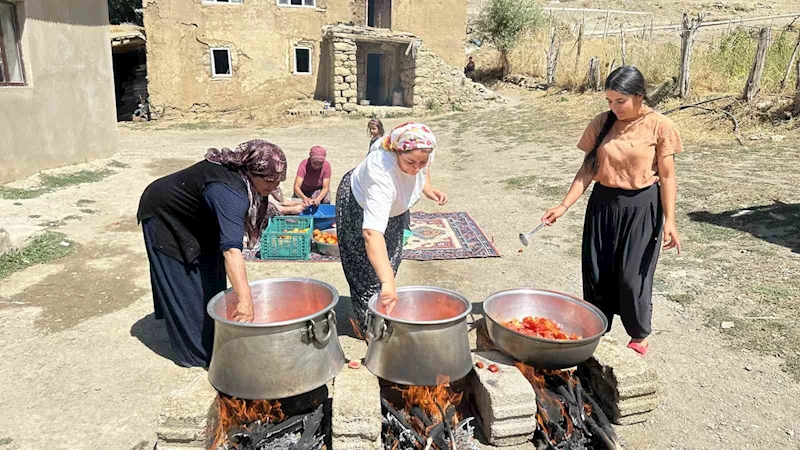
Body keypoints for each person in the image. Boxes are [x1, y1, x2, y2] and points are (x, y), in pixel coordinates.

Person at [541, 66, 683, 357]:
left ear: (639, 96)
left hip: (642, 206)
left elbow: (667, 176)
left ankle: (639, 335)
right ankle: (599, 328)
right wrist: (563, 206)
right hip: (603, 203)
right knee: (597, 271)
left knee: (633, 277)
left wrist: (670, 221)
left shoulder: (660, 126)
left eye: (620, 101)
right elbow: (587, 170)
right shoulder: (601, 123)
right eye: (609, 101)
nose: (614, 107)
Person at [137, 140, 288, 367]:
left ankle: (213, 337)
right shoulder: (228, 193)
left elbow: (254, 205)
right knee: (186, 287)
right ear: (250, 171)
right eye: (269, 180)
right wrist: (245, 300)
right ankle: (196, 359)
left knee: (211, 280)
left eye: (279, 180)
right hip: (164, 214)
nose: (274, 185)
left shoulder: (246, 181)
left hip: (198, 217)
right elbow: (231, 251)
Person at [336, 123, 448, 332]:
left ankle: (381, 307)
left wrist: (427, 187)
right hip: (356, 204)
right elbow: (371, 233)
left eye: (421, 162)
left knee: (392, 258)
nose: (416, 168)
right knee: (365, 273)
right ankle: (368, 328)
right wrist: (388, 283)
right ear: (397, 151)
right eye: (410, 162)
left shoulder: (422, 148)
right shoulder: (381, 173)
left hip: (394, 207)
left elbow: (425, 163)